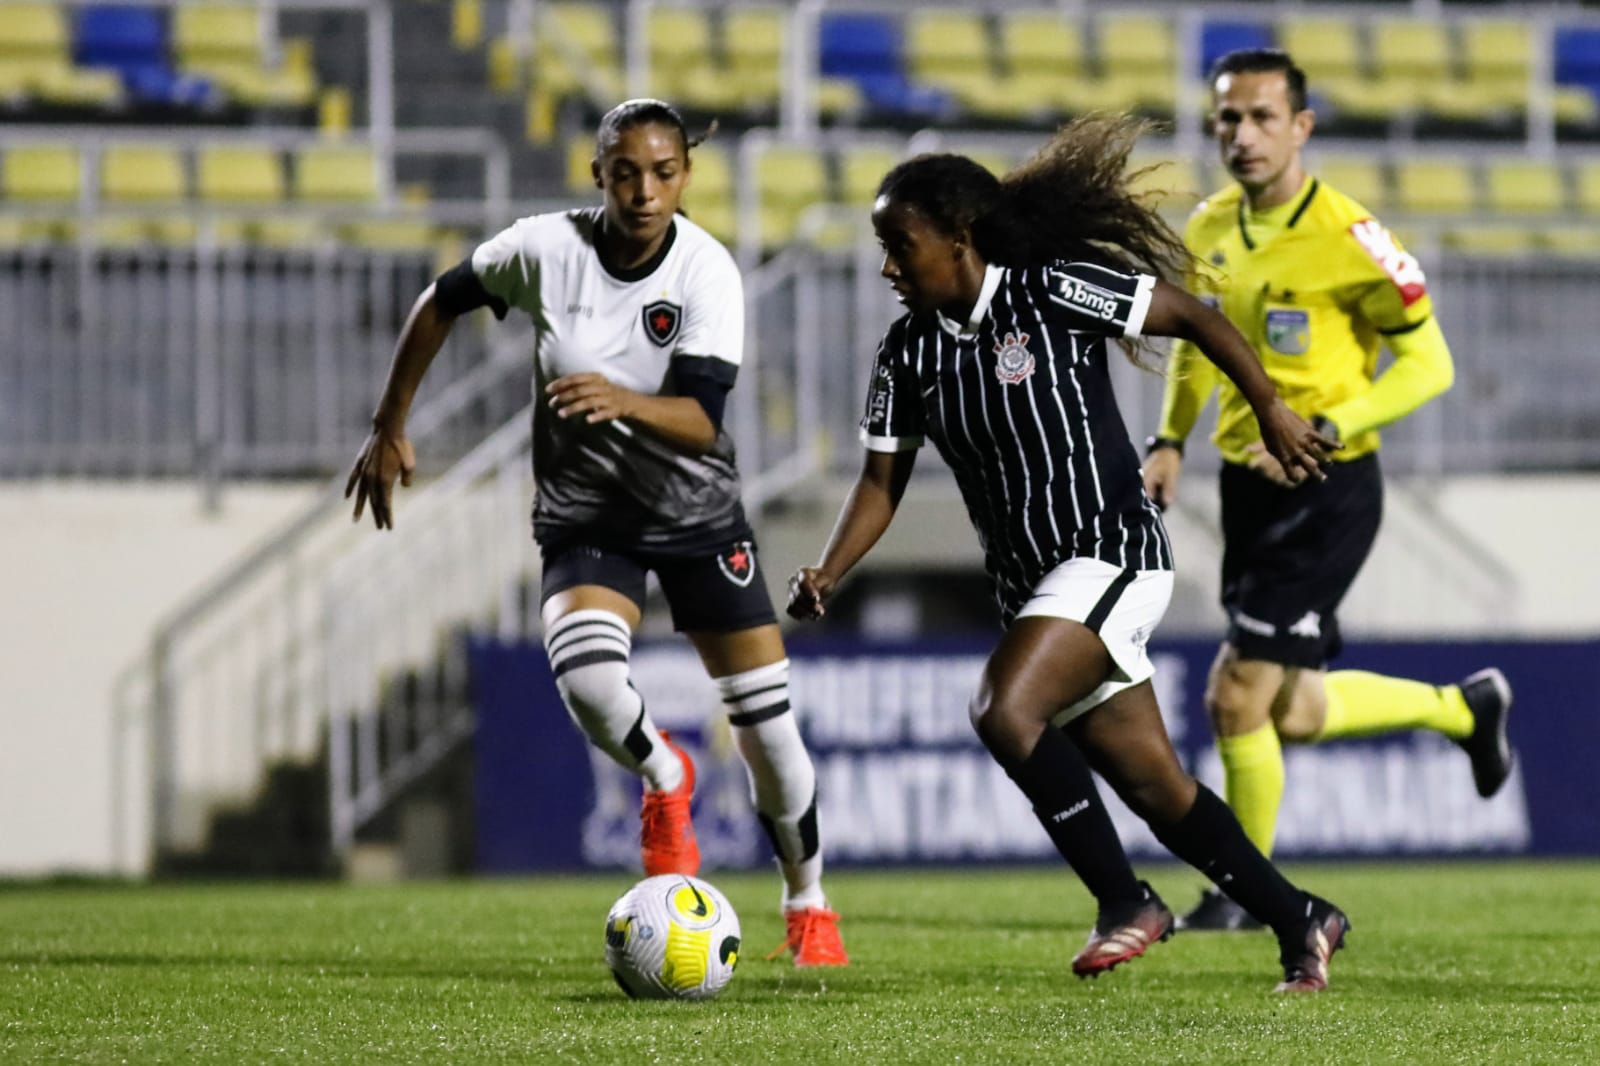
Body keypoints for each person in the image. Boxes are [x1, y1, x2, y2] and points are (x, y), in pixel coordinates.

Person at [787, 114, 1350, 992]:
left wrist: (1271, 407)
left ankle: (1127, 901)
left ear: (960, 236)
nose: (889, 266)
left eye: (901, 244)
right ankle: (1300, 917)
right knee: (1160, 789)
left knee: (1001, 708)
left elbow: (1192, 315)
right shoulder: (906, 354)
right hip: (1035, 589)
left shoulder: (1052, 290)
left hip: (1112, 550)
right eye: (882, 248)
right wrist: (828, 570)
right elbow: (878, 485)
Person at [345, 98, 846, 967]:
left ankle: (807, 904)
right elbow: (439, 300)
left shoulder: (707, 272)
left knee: (767, 728)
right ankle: (665, 775)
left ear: (684, 175)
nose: (644, 191)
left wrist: (620, 400)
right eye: (626, 173)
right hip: (586, 513)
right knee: (585, 679)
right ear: (599, 175)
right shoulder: (544, 248)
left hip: (694, 512)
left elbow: (701, 419)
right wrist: (390, 424)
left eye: (662, 173)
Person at [1143, 50, 1515, 932]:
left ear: (1302, 127)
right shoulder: (1207, 227)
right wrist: (1170, 437)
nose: (1243, 135)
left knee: (1233, 696)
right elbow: (1197, 341)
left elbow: (1431, 363)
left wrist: (1333, 424)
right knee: (1293, 710)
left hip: (1327, 486)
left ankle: (1244, 895)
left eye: (1264, 117)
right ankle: (1464, 709)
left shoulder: (1353, 238)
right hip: (1249, 487)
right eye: (1228, 118)